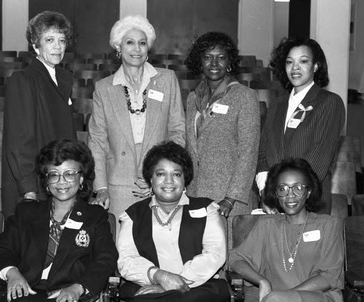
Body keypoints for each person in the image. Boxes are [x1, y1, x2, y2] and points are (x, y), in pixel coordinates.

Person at [0, 139, 118, 302]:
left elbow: (106, 259)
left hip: (69, 295)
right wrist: (12, 274)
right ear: (46, 182)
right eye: (54, 175)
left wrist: (78, 288)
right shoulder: (27, 212)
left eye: (69, 174)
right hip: (26, 294)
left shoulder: (94, 216)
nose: (61, 182)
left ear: (82, 179)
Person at [88, 15, 185, 220]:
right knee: (121, 248)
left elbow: (177, 131)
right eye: (129, 42)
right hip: (119, 186)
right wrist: (101, 188)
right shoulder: (104, 88)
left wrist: (159, 175)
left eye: (142, 43)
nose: (136, 49)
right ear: (118, 47)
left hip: (159, 181)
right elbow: (97, 142)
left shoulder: (167, 80)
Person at [117, 141, 230, 302]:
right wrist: (158, 276)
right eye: (161, 174)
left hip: (198, 288)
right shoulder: (132, 215)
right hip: (147, 288)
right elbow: (126, 260)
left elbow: (214, 254)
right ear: (151, 178)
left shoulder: (207, 209)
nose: (169, 181)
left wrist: (172, 284)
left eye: (176, 174)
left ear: (185, 179)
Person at [230, 158, 344, 302]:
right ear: (276, 194)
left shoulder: (329, 224)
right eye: (282, 189)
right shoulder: (266, 225)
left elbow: (329, 276)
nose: (290, 195)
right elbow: (236, 259)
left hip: (319, 297)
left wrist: (286, 296)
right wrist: (262, 282)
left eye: (298, 188)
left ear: (308, 192)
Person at [256, 37, 345, 214]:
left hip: (309, 204)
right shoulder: (277, 104)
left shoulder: (329, 102)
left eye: (303, 61)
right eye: (289, 62)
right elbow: (262, 154)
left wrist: (284, 196)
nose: (295, 67)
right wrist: (266, 194)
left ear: (316, 66)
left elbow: (318, 161)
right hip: (273, 203)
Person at [2, 11, 77, 218]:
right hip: (35, 186)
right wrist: (29, 190)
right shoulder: (23, 80)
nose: (57, 46)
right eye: (50, 40)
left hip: (60, 182)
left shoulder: (63, 79)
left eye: (62, 40)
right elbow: (19, 141)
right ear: (36, 44)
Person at [184, 31, 260, 218]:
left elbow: (248, 153)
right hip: (195, 194)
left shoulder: (244, 97)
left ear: (230, 62)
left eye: (221, 58)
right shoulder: (193, 98)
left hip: (227, 201)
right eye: (208, 57)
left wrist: (231, 198)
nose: (214, 64)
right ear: (199, 61)